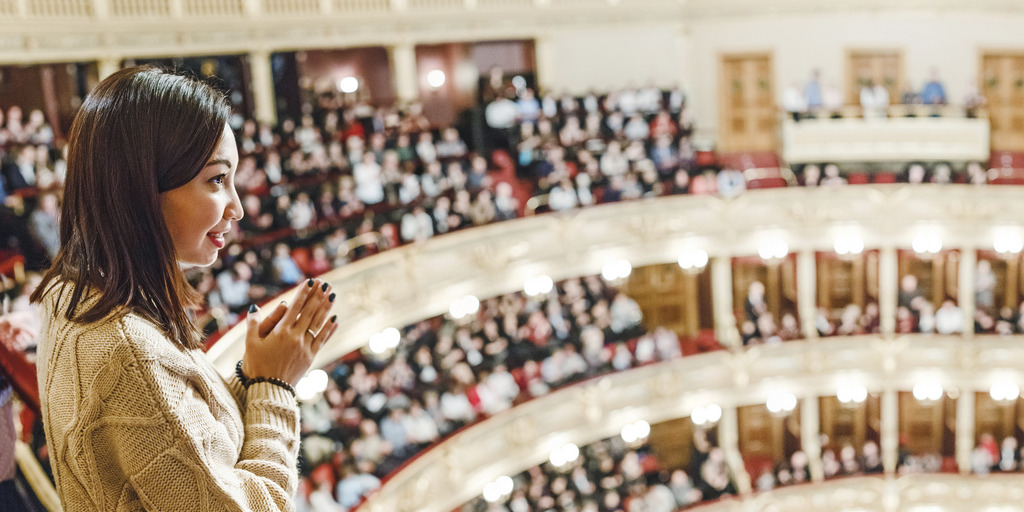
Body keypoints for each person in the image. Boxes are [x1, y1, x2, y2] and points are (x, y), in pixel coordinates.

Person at [32, 67, 340, 511]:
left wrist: (249, 375)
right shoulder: (129, 353)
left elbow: (179, 448)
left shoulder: (75, 290)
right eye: (216, 180)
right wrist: (274, 386)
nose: (236, 206)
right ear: (142, 188)